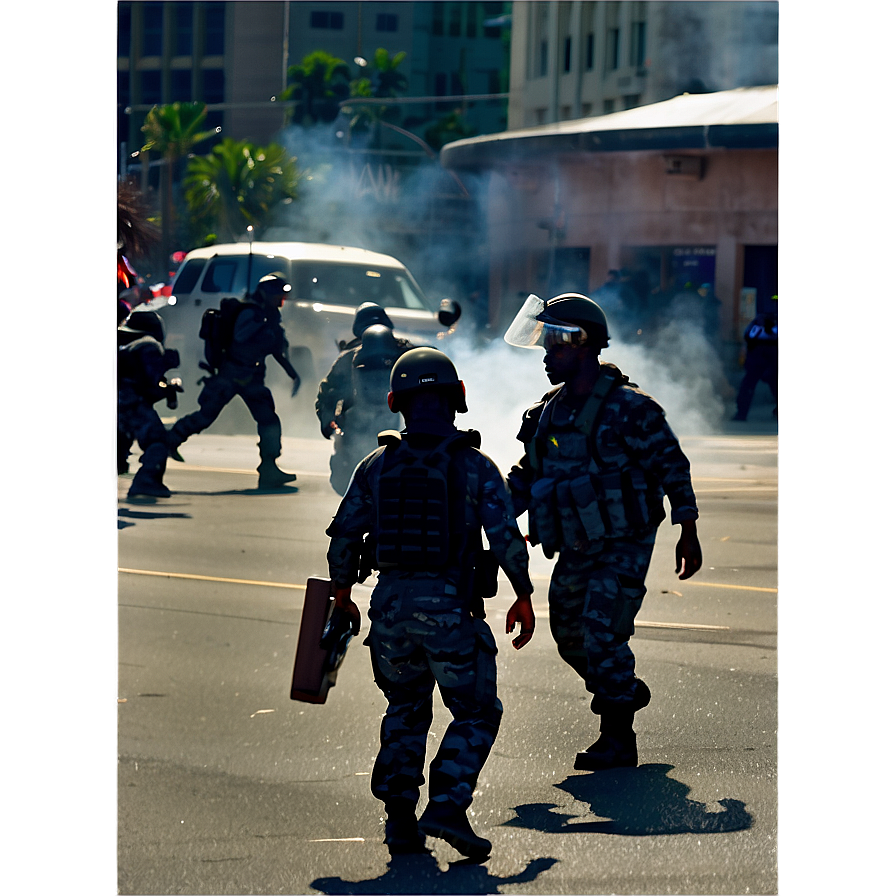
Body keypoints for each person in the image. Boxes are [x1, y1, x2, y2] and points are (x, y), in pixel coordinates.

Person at [325, 347, 535, 861]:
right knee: (478, 711)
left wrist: (342, 596)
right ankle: (446, 804)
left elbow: (343, 537)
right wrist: (524, 596)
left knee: (405, 706)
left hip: (390, 612)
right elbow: (506, 537)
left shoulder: (376, 464)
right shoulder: (474, 466)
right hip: (449, 611)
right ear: (457, 398)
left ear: (396, 401)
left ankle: (400, 821)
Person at [503, 292, 702, 771]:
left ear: (584, 344)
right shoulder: (546, 413)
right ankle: (624, 691)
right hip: (576, 543)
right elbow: (528, 476)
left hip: (625, 542)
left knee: (600, 630)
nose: (546, 355)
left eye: (555, 345)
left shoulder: (631, 409)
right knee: (568, 634)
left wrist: (687, 528)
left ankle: (617, 736)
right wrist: (488, 514)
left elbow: (672, 466)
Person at [166, 274, 298, 490]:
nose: (280, 301)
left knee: (269, 421)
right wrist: (264, 325)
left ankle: (269, 467)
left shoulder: (269, 315)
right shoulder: (250, 313)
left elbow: (277, 350)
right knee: (205, 416)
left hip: (251, 378)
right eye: (277, 296)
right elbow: (241, 336)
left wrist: (293, 374)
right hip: (231, 374)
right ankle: (166, 444)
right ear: (264, 294)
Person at [317, 308, 416, 493]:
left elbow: (327, 392)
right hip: (386, 427)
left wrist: (326, 421)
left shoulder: (348, 357)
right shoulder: (409, 353)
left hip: (382, 427)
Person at [118, 310, 182, 498]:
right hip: (129, 403)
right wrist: (169, 387)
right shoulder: (147, 345)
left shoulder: (120, 343)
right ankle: (147, 481)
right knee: (157, 440)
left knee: (120, 441)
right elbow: (150, 381)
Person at [732, 297, 778, 421]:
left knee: (773, 384)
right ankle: (741, 413)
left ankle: (741, 414)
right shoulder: (760, 320)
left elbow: (747, 337)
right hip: (762, 355)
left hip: (765, 355)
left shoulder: (760, 320)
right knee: (749, 385)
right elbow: (748, 337)